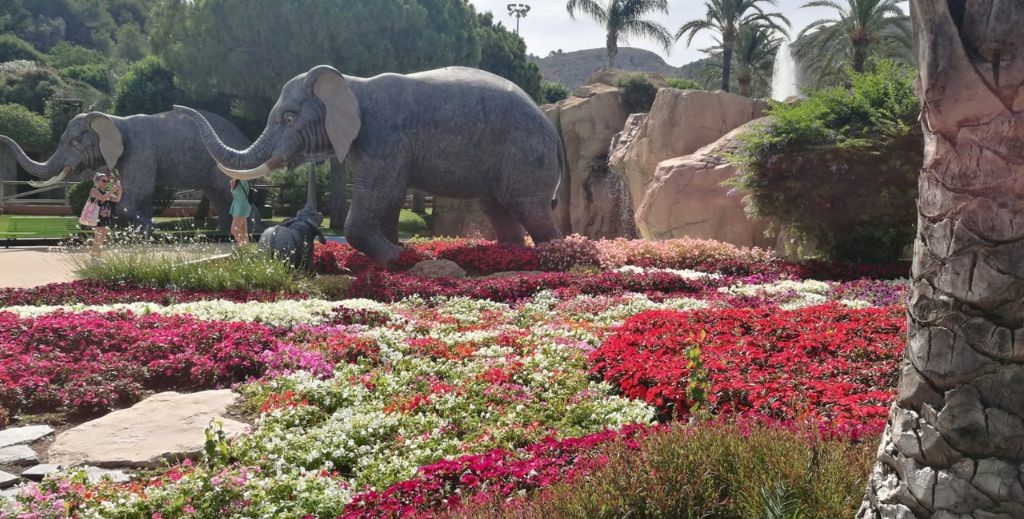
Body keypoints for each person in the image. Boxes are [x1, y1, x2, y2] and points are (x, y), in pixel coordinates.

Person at [88, 171, 121, 259]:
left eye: (106, 181)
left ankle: (97, 256)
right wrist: (113, 190)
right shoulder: (94, 190)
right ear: (97, 181)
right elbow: (103, 198)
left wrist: (120, 191)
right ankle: (94, 257)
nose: (105, 183)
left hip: (105, 217)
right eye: (104, 181)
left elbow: (117, 199)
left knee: (101, 238)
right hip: (97, 217)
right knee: (97, 237)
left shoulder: (106, 192)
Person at [229, 178, 251, 245]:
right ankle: (246, 250)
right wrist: (233, 183)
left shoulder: (243, 181)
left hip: (242, 208)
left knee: (233, 230)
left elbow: (243, 175)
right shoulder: (234, 182)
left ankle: (243, 247)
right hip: (237, 208)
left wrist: (235, 177)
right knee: (243, 231)